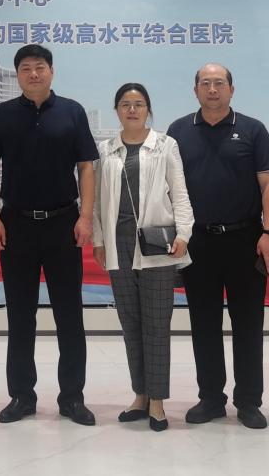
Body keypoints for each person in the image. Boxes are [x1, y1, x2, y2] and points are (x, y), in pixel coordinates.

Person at [0, 44, 99, 426]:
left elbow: (86, 167)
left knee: (70, 315)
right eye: (26, 68)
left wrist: (85, 217)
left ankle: (72, 398)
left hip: (63, 224)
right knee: (20, 316)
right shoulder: (1, 114)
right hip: (15, 225)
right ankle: (21, 396)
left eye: (40, 67)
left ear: (51, 71)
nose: (34, 73)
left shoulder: (72, 111)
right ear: (17, 74)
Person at [165, 63, 269, 430]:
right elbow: (168, 188)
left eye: (219, 83)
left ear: (231, 89)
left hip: (246, 240)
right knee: (203, 324)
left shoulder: (253, 130)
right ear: (195, 90)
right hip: (197, 242)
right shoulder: (178, 131)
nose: (212, 89)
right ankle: (211, 398)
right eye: (205, 83)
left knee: (248, 323)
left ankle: (249, 401)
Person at [92, 83, 194, 432]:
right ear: (117, 110)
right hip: (118, 244)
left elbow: (180, 193)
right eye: (125, 104)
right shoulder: (106, 149)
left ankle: (158, 401)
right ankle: (140, 395)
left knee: (157, 325)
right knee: (131, 324)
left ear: (148, 109)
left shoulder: (165, 145)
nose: (132, 109)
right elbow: (97, 201)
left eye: (138, 104)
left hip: (157, 245)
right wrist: (99, 240)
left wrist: (184, 234)